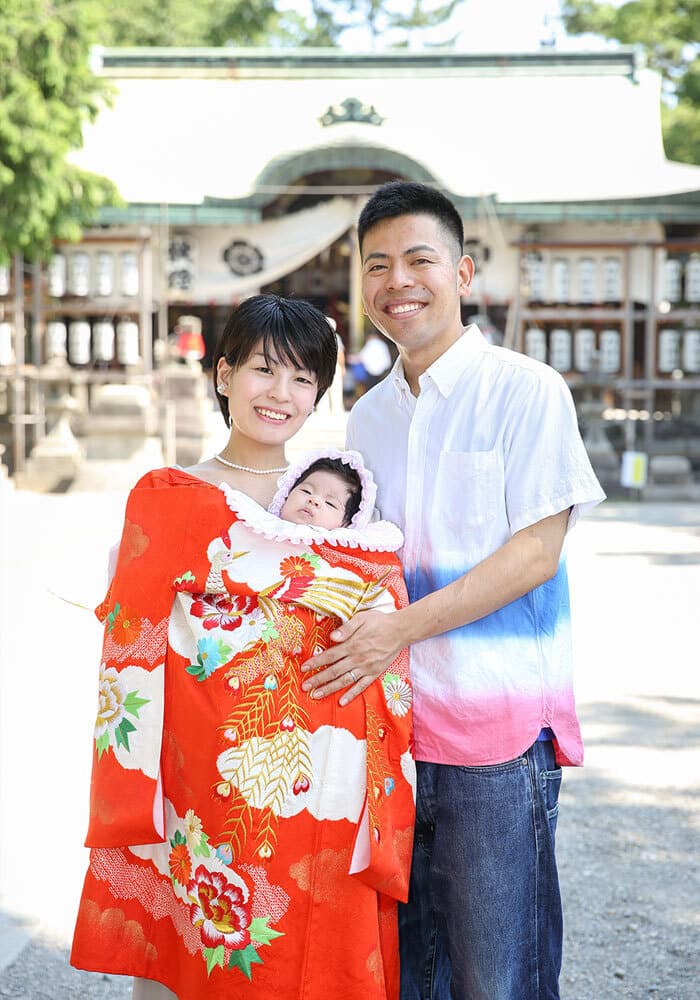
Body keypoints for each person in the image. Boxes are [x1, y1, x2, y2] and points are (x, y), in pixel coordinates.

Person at [300, 182, 606, 1000]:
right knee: (407, 973)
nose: (397, 280)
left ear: (463, 272)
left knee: (496, 978)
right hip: (393, 735)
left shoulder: (525, 390)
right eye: (377, 266)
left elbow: (537, 552)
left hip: (495, 740)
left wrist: (395, 630)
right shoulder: (366, 418)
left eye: (418, 259)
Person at [70, 296, 415, 1000]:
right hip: (204, 770)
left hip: (321, 774)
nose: (280, 394)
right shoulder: (170, 496)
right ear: (223, 374)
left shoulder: (342, 505)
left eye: (301, 379)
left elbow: (380, 606)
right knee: (208, 946)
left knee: (310, 943)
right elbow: (133, 631)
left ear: (319, 394)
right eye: (263, 370)